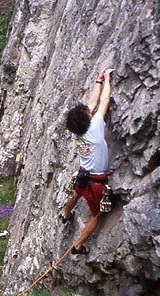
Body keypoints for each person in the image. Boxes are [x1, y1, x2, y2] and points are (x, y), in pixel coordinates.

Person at [61, 68, 115, 255]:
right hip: (95, 182)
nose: (88, 109)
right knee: (97, 214)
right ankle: (77, 246)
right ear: (88, 117)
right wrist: (108, 79)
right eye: (87, 112)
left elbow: (91, 104)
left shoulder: (79, 130)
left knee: (75, 194)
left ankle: (65, 214)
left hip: (82, 175)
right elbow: (104, 102)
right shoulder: (95, 126)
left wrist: (98, 81)